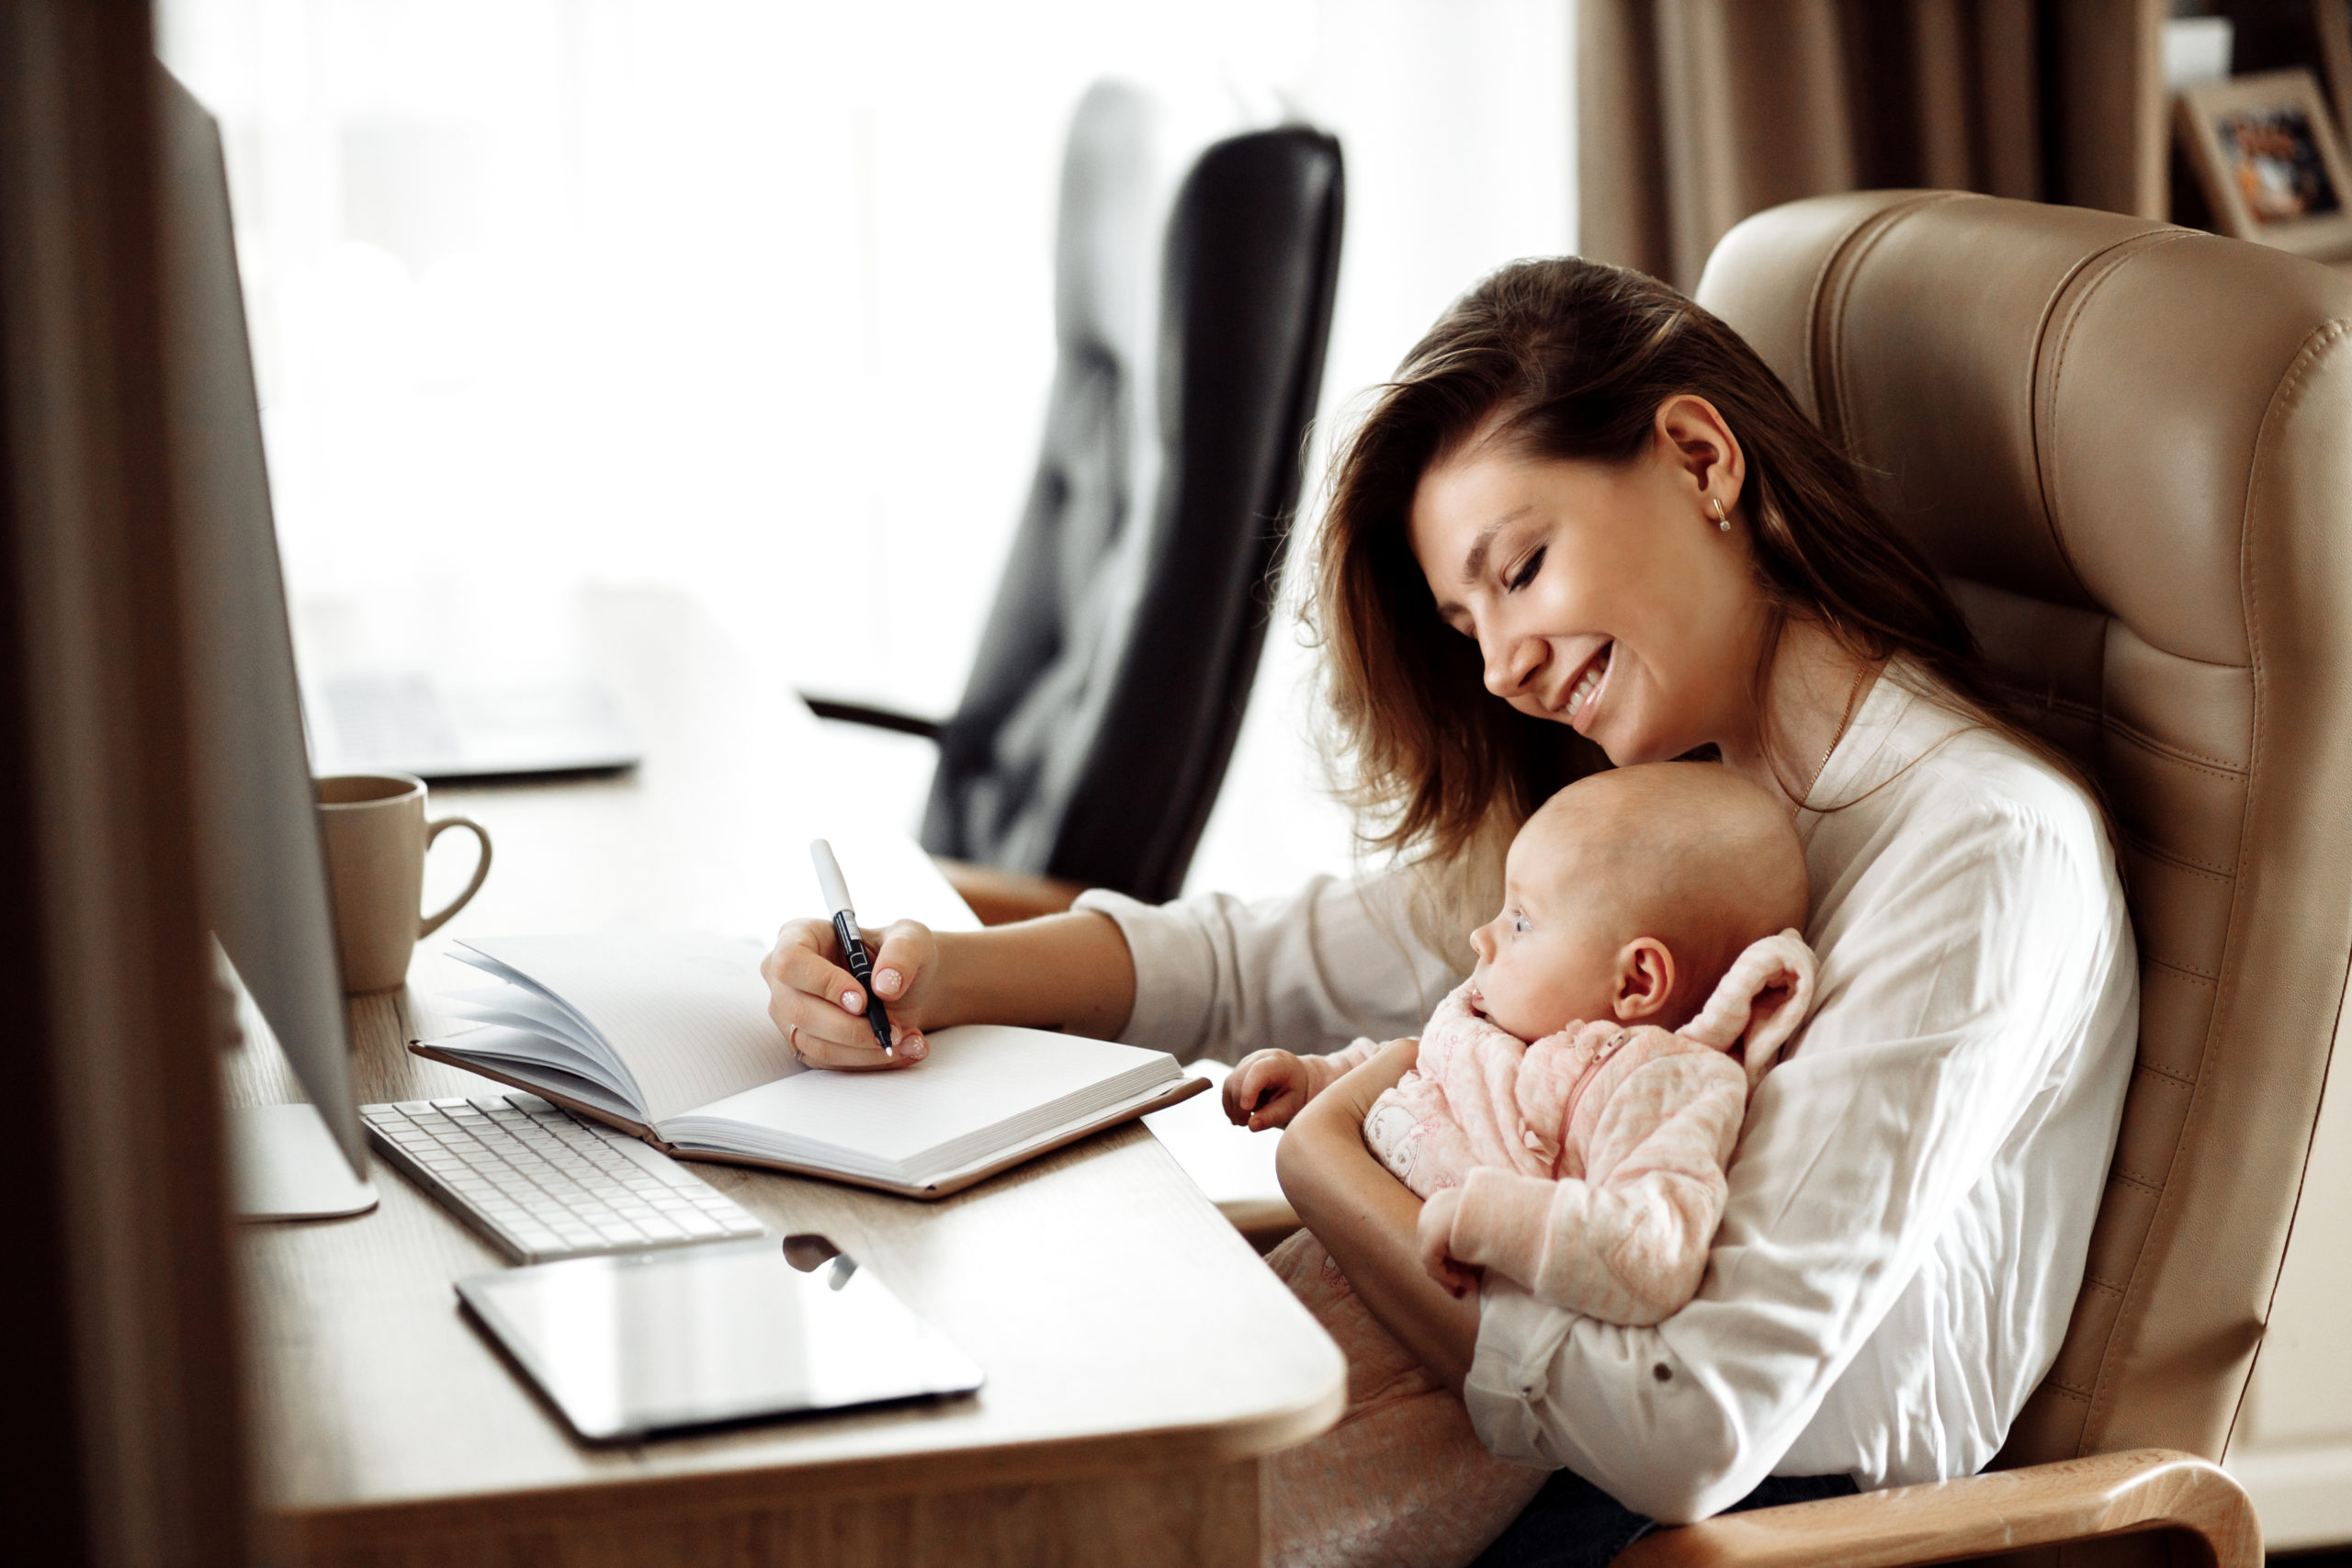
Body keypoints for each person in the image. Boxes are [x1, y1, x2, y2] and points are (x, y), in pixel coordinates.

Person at [761, 257, 2138, 1564]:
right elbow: (1258, 954)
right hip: (1522, 1450)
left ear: (1703, 459)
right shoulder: (1675, 795)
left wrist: (1327, 1164)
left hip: (1739, 1528)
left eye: (1522, 567)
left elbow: (1683, 1424)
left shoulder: (1980, 850)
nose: (1504, 668)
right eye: (1467, 625)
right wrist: (933, 972)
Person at [1233, 761, 1822, 1568]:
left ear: (1638, 979)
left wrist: (1493, 1216)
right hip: (1310, 1301)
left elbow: (1654, 1244)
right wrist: (1317, 1081)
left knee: (1256, 1531)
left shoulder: (1659, 1081)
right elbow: (1423, 1082)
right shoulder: (1502, 1018)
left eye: (1520, 921)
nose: (1483, 934)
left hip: (1409, 1399)